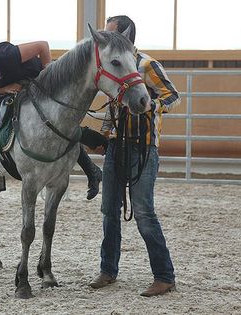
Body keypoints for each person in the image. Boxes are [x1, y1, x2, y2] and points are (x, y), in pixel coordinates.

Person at [88, 15, 181, 297]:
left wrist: (151, 105)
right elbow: (113, 106)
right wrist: (105, 136)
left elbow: (173, 95)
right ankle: (108, 270)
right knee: (109, 210)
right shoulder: (110, 67)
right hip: (117, 146)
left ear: (127, 36)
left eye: (110, 33)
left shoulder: (146, 65)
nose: (105, 37)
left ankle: (164, 276)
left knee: (143, 212)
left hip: (144, 145)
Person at [0, 40, 102, 199]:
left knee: (59, 126)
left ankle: (91, 169)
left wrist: (48, 75)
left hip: (39, 80)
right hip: (18, 91)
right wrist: (4, 89)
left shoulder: (6, 55)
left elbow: (43, 46)